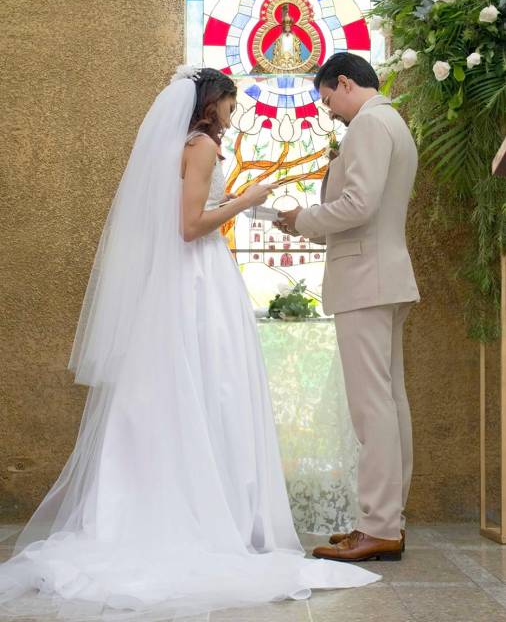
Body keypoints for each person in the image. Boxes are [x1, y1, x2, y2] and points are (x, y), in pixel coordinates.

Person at [0, 65, 379, 621]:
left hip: (186, 280)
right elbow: (190, 225)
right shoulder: (201, 146)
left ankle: (178, 503)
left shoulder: (188, 144)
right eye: (230, 103)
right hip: (198, 279)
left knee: (185, 393)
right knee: (212, 389)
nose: (234, 112)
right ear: (211, 104)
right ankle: (212, 512)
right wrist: (249, 197)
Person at [278, 52, 420, 563]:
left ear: (343, 82)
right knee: (390, 401)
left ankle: (379, 524)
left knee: (371, 406)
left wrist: (303, 218)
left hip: (366, 278)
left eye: (327, 98)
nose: (330, 111)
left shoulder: (368, 124)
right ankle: (387, 519)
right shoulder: (393, 122)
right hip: (386, 274)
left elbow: (358, 204)